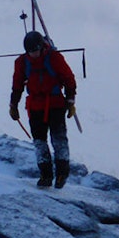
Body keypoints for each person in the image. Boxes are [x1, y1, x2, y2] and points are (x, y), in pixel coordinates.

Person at [10, 30, 77, 188]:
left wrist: (70, 101)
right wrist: (13, 105)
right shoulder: (21, 62)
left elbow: (69, 79)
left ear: (41, 47)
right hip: (35, 106)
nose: (33, 54)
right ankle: (45, 175)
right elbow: (17, 84)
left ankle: (62, 174)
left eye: (35, 50)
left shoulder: (54, 58)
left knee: (58, 139)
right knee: (39, 142)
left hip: (55, 104)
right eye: (30, 51)